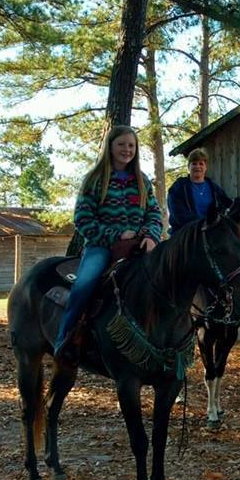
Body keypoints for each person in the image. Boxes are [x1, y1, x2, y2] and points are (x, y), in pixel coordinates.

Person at [53, 124, 164, 361]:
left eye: (131, 145)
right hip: (101, 246)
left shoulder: (142, 180)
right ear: (110, 147)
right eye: (122, 144)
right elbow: (82, 219)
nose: (127, 149)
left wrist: (150, 236)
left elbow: (154, 213)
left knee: (166, 279)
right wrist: (114, 235)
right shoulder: (94, 179)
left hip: (139, 244)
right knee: (85, 284)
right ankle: (65, 339)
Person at [166, 147, 231, 234]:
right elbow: (178, 213)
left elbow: (225, 208)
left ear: (206, 167)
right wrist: (201, 224)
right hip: (184, 233)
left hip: (211, 232)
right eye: (194, 163)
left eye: (201, 164)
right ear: (189, 166)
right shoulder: (179, 187)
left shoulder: (215, 189)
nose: (198, 166)